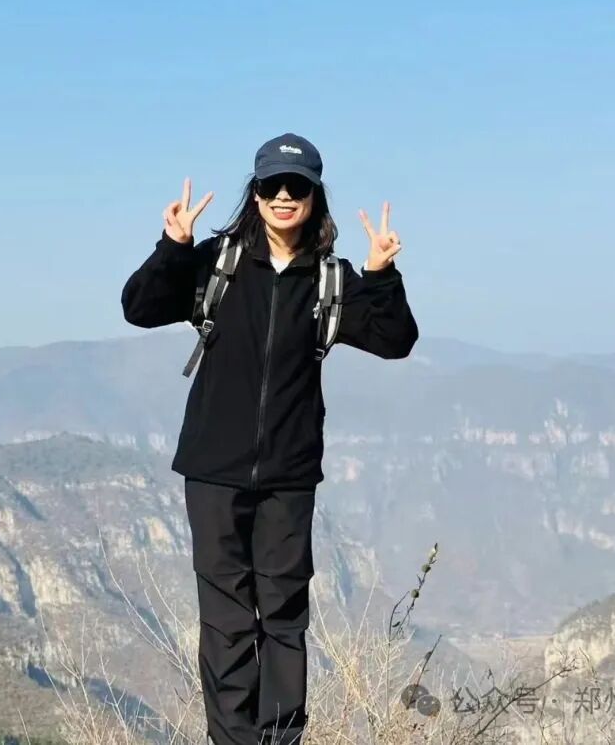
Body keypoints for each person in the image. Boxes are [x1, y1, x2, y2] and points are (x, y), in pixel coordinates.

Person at [120, 133, 418, 745]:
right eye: (272, 185)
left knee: (283, 616)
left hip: (289, 475)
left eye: (297, 186)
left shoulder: (331, 279)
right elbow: (139, 307)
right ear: (255, 194)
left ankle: (281, 739)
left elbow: (395, 341)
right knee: (226, 620)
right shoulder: (217, 263)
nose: (284, 195)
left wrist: (381, 274)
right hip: (213, 470)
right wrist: (173, 246)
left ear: (314, 196)